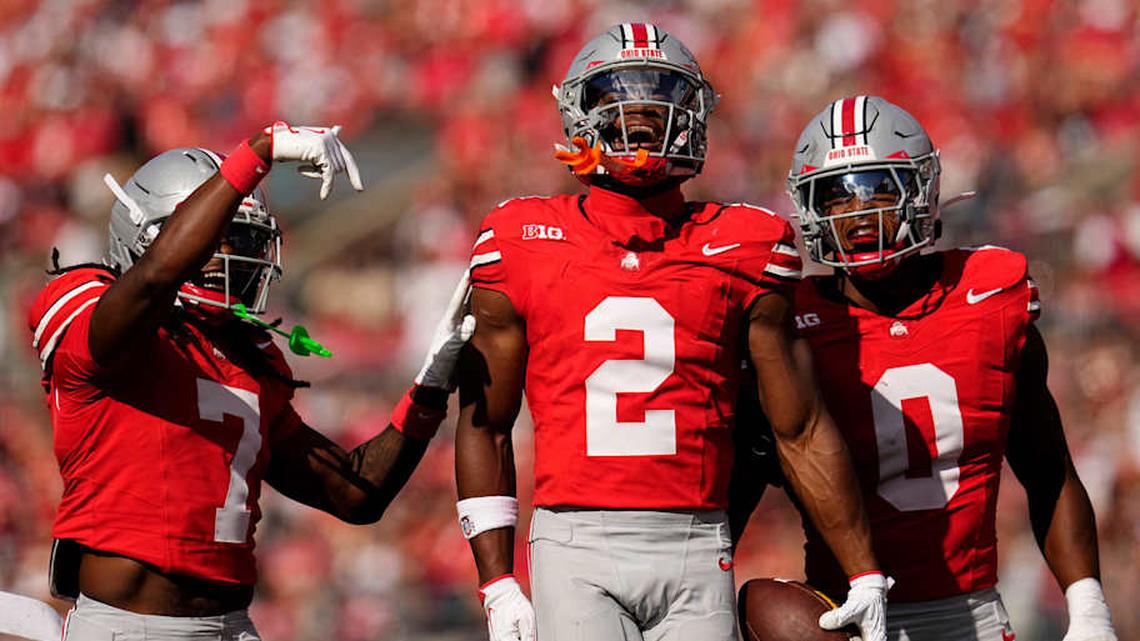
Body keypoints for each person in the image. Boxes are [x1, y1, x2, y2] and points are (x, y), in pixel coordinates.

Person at [454, 24, 890, 641]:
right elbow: (485, 423)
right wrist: (498, 584)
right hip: (574, 540)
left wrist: (864, 570)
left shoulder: (746, 244)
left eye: (657, 102)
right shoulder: (521, 239)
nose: (638, 120)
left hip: (696, 537)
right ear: (579, 114)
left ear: (692, 115)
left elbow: (800, 426)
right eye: (619, 103)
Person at [26, 122, 474, 641]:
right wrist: (256, 155)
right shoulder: (85, 302)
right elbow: (151, 281)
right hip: (129, 626)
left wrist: (432, 383)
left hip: (233, 626)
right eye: (221, 239)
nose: (237, 257)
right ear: (155, 235)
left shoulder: (246, 354)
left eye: (246, 241)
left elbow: (357, 493)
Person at [754, 95, 1118, 641]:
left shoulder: (991, 297)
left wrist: (1089, 608)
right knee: (765, 606)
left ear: (920, 189)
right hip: (850, 616)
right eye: (835, 195)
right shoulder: (792, 323)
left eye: (877, 188)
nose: (858, 213)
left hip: (969, 614)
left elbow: (1048, 469)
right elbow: (738, 477)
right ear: (810, 208)